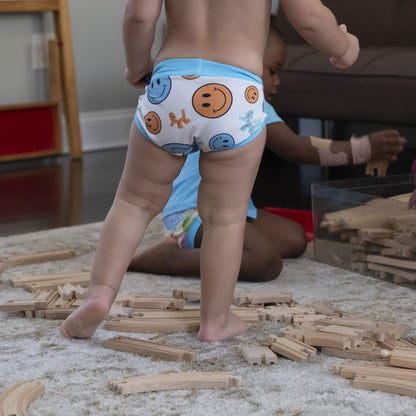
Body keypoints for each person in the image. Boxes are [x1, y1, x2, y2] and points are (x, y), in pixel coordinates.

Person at [60, 0, 360, 343]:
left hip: (170, 89)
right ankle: (215, 319)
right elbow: (309, 17)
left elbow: (140, 14)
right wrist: (345, 47)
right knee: (225, 218)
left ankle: (100, 293)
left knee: (135, 201)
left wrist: (137, 66)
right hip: (236, 92)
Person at [128, 25, 406, 282]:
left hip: (232, 208)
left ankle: (221, 246)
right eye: (273, 70)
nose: (277, 81)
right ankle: (167, 258)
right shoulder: (245, 101)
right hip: (195, 214)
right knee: (265, 262)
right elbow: (294, 147)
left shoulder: (239, 98)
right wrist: (363, 149)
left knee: (295, 239)